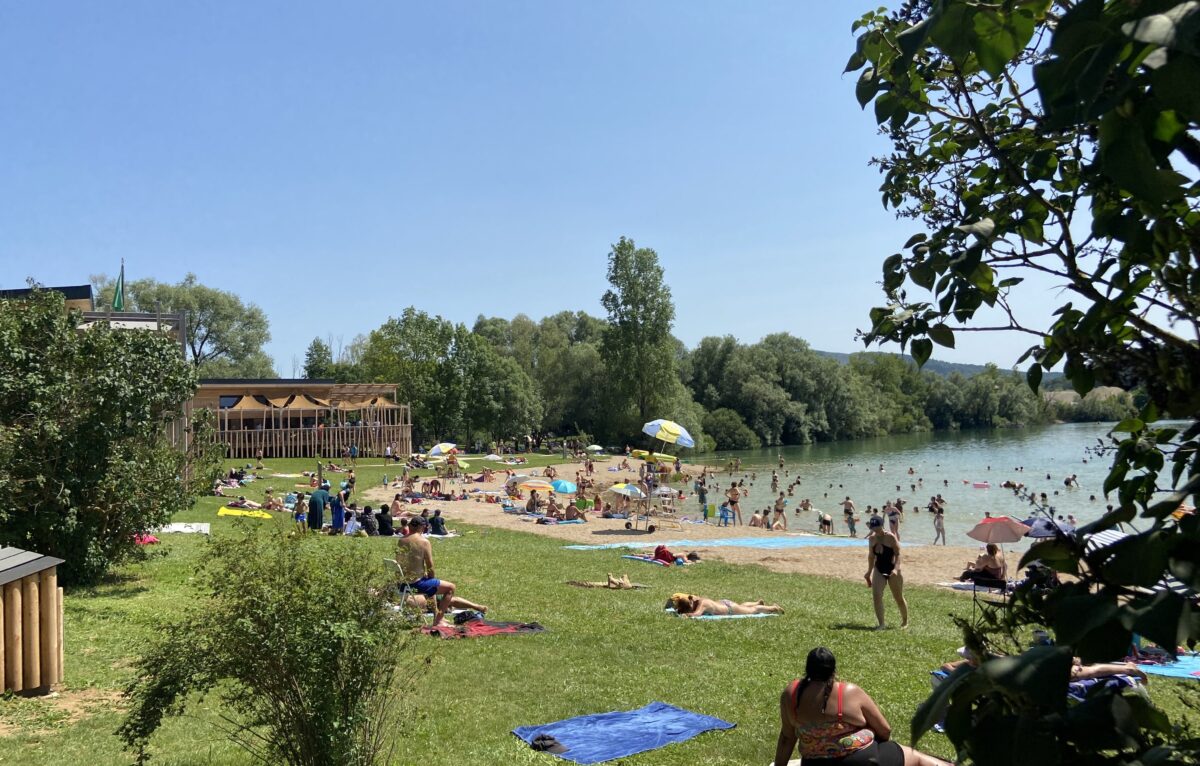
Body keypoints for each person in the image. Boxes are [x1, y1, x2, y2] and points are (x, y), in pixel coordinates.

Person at [773, 647, 952, 766]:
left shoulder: (792, 694)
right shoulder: (848, 692)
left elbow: (787, 737)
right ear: (833, 671)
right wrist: (867, 733)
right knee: (916, 758)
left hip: (814, 763)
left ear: (807, 669)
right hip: (860, 761)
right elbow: (885, 730)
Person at [394, 516, 457, 625]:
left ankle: (436, 615)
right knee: (450, 588)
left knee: (431, 584)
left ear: (410, 526)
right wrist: (431, 577)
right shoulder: (424, 542)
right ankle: (439, 620)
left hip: (402, 584)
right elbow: (430, 565)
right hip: (414, 584)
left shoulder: (401, 540)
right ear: (422, 527)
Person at [865, 516, 909, 629]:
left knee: (898, 597)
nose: (875, 529)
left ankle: (905, 622)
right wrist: (869, 572)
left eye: (877, 527)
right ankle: (881, 624)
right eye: (873, 527)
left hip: (892, 569)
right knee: (876, 596)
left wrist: (896, 568)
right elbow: (871, 556)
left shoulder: (890, 537)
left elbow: (898, 554)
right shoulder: (871, 539)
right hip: (879, 569)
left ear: (882, 525)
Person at [669, 593, 783, 617]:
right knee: (742, 606)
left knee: (753, 611)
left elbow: (697, 614)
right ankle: (757, 602)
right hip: (724, 603)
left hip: (729, 609)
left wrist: (686, 615)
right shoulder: (694, 599)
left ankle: (773, 608)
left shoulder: (703, 604)